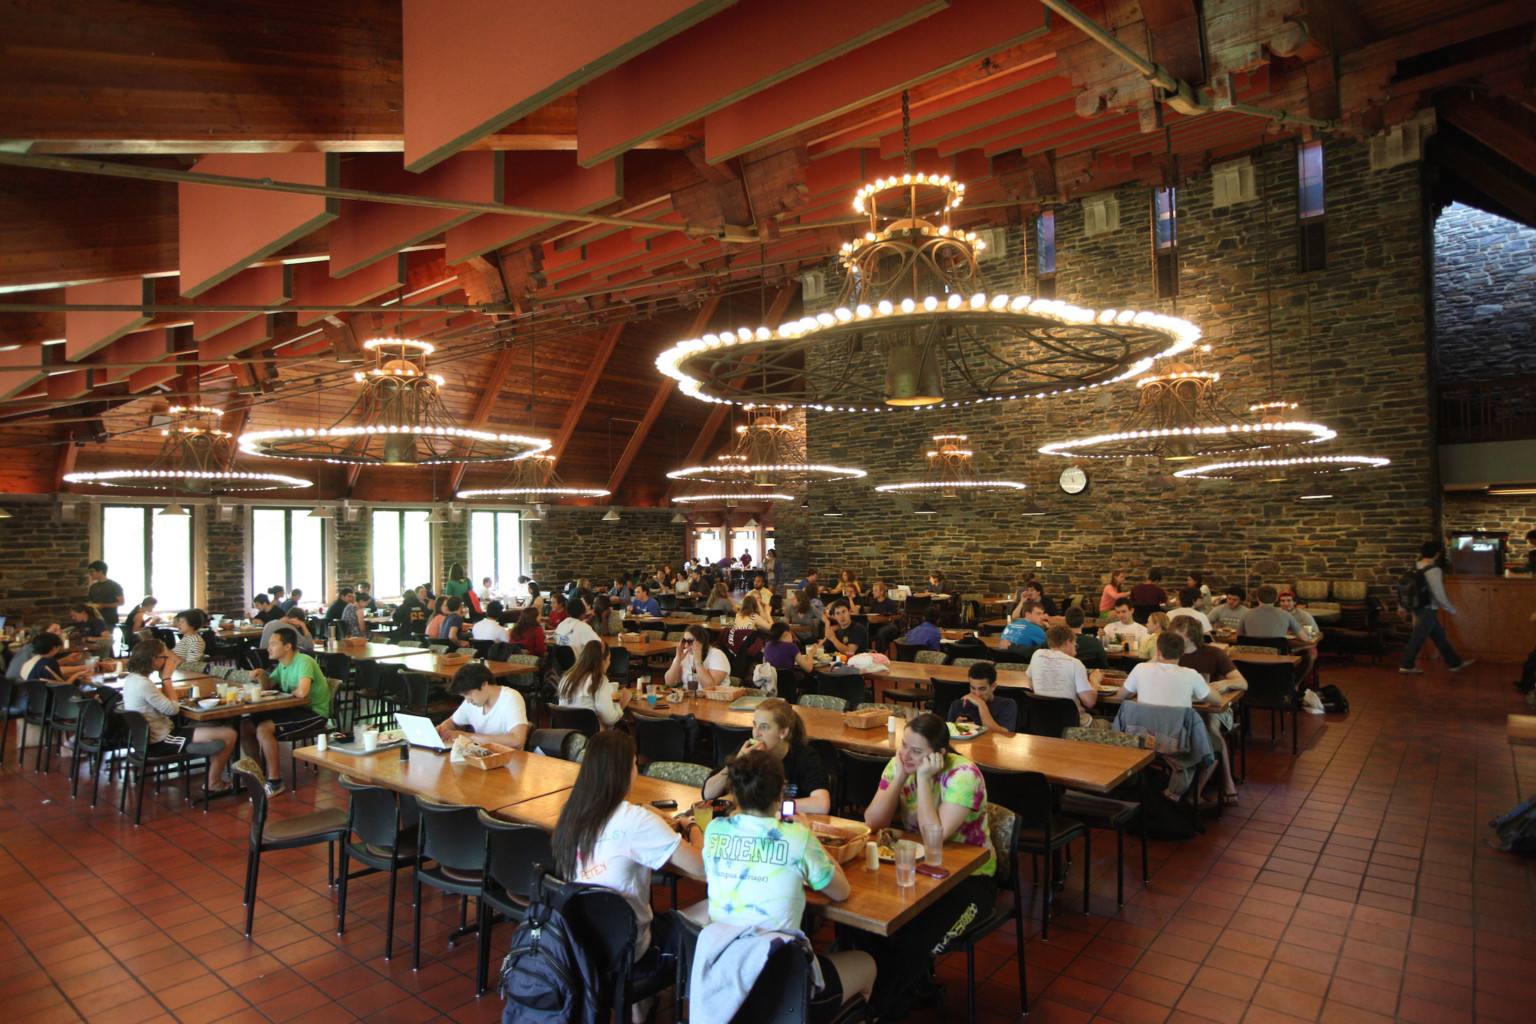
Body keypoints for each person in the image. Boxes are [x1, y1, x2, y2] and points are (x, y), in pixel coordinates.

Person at [700, 748, 876, 1017]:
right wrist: (808, 836)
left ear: (734, 794)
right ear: (781, 793)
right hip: (784, 986)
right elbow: (841, 892)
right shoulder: (796, 837)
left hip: (727, 976)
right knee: (867, 964)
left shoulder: (713, 830)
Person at [552, 729, 703, 1012]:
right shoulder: (636, 821)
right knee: (711, 911)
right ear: (625, 771)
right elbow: (702, 866)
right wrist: (691, 826)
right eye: (635, 764)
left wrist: (646, 815)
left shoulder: (570, 813)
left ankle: (638, 1007)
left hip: (581, 945)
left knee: (640, 912)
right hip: (631, 952)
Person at [860, 713, 994, 1019]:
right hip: (917, 872)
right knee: (867, 926)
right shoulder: (899, 763)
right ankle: (889, 997)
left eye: (916, 751)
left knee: (914, 942)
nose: (906, 754)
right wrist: (900, 776)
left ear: (939, 755)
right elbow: (872, 822)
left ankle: (876, 1008)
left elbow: (933, 838)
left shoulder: (963, 775)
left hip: (970, 879)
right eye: (904, 745)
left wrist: (920, 778)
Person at [118, 639, 236, 795]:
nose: (168, 661)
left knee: (216, 726)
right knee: (229, 734)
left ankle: (216, 775)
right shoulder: (143, 684)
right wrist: (167, 679)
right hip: (161, 741)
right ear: (153, 660)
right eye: (164, 657)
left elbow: (165, 705)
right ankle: (213, 782)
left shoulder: (132, 679)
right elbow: (172, 710)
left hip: (146, 738)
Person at [1116, 630, 1221, 800]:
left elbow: (1121, 696)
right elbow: (1217, 700)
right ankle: (1191, 795)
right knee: (1216, 745)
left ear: (1158, 651)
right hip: (1177, 744)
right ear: (1182, 653)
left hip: (1142, 739)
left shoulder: (1140, 669)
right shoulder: (1191, 674)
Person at [243, 627, 330, 796]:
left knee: (263, 729)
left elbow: (303, 692)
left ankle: (274, 781)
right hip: (294, 708)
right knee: (246, 725)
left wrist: (291, 693)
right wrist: (262, 675)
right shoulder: (283, 665)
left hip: (314, 712)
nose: (269, 648)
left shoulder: (303, 661)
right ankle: (258, 774)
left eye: (273, 644)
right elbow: (269, 685)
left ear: (287, 646)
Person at [702, 699, 831, 813]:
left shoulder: (805, 756)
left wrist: (772, 806)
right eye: (755, 725)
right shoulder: (747, 751)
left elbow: (822, 804)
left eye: (764, 727)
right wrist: (735, 763)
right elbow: (708, 794)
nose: (756, 733)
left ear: (783, 732)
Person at [1170, 616, 1245, 806]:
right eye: (1173, 631)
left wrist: (1226, 683)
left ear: (1192, 634)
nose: (1174, 635)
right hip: (1183, 708)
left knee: (1211, 726)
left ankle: (1226, 782)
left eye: (1179, 631)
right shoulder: (1171, 654)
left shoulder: (1213, 653)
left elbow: (1243, 683)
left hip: (1213, 708)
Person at [1399, 541, 1474, 675]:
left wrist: (1402, 608)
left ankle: (1455, 663)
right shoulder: (1433, 570)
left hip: (1418, 607)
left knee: (1439, 636)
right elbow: (1438, 593)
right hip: (1429, 608)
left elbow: (1405, 589)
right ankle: (1407, 665)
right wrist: (1450, 608)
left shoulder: (1413, 567)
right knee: (1418, 637)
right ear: (1437, 554)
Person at [1024, 625, 1103, 729]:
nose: (1075, 652)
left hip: (1042, 725)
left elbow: (1030, 683)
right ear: (1067, 642)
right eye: (1075, 646)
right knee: (1112, 725)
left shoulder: (1037, 655)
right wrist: (1094, 680)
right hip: (1075, 728)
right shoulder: (1075, 663)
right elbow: (1089, 702)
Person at [436, 662, 529, 748]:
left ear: (484, 684)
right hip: (481, 755)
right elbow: (453, 722)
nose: (468, 700)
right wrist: (443, 730)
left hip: (509, 758)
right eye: (464, 696)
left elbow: (517, 740)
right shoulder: (472, 702)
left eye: (468, 694)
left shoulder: (511, 698)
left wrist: (469, 736)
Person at [556, 640, 631, 727]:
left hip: (566, 735)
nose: (609, 663)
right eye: (609, 659)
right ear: (603, 661)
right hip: (591, 736)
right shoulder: (598, 680)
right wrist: (623, 702)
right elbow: (610, 719)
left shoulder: (566, 677)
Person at [948, 662, 1020, 736]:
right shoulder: (957, 705)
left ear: (993, 686)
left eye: (982, 689)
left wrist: (981, 704)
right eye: (973, 688)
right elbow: (948, 736)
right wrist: (956, 728)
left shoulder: (1007, 705)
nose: (977, 694)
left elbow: (1003, 736)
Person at [663, 623, 730, 689]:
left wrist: (698, 660)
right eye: (684, 641)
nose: (686, 645)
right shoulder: (685, 653)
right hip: (690, 697)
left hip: (715, 698)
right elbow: (669, 684)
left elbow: (710, 687)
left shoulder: (717, 655)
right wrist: (678, 660)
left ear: (701, 641)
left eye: (690, 641)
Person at [20, 632, 90, 683]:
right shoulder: (50, 662)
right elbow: (63, 686)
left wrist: (66, 659)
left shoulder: (32, 661)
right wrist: (78, 674)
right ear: (53, 648)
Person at [85, 560, 125, 626]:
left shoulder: (114, 586)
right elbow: (90, 601)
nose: (90, 574)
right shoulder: (93, 586)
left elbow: (121, 602)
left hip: (109, 620)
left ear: (100, 571)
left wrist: (104, 605)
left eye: (92, 571)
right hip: (95, 620)